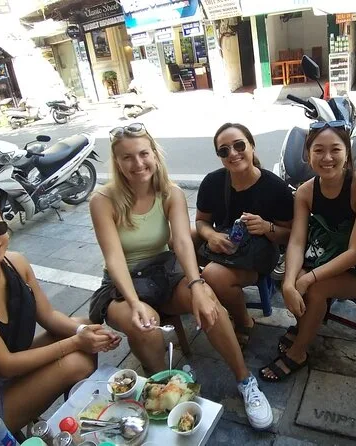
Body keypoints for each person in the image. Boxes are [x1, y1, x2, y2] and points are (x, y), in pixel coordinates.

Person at [88, 122, 274, 430]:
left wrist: (197, 284)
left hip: (164, 270)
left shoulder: (170, 193)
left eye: (143, 154)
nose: (138, 163)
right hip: (123, 283)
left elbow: (183, 243)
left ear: (154, 154)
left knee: (208, 302)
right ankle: (163, 389)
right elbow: (114, 258)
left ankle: (246, 381)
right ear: (117, 162)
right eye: (127, 157)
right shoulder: (102, 200)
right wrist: (134, 302)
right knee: (145, 325)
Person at [0, 193, 121, 443]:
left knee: (84, 326)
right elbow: (5, 365)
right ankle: (77, 427)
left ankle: (76, 417)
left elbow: (49, 316)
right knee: (77, 361)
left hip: (5, 369)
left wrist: (83, 334)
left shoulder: (16, 263)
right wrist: (77, 342)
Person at [260, 121, 356, 382]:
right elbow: (296, 241)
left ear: (347, 154)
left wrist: (308, 278)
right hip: (323, 253)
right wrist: (290, 282)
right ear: (308, 155)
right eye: (318, 150)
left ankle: (298, 353)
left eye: (335, 149)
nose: (327, 158)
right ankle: (305, 325)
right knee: (293, 280)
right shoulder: (306, 191)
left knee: (314, 288)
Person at [196, 123, 293, 348]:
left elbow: (291, 236)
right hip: (226, 241)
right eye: (224, 150)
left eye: (239, 145)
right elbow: (201, 221)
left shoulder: (275, 187)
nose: (233, 153)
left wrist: (267, 227)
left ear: (252, 146)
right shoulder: (213, 182)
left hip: (260, 253)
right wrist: (211, 235)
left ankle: (243, 321)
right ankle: (199, 294)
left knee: (213, 274)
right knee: (179, 239)